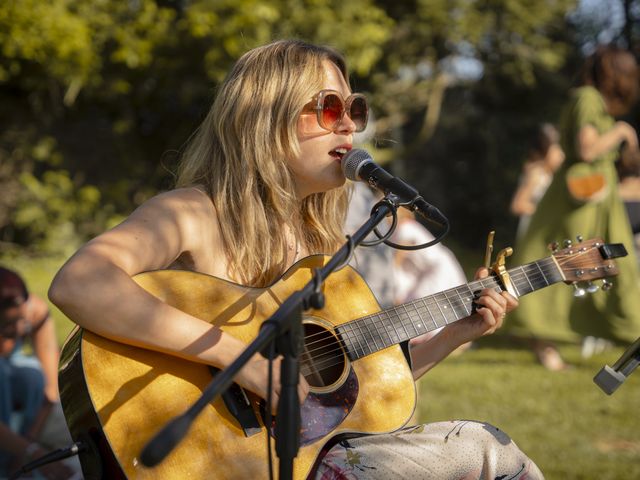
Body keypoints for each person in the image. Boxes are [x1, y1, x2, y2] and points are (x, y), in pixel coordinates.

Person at [48, 39, 542, 479]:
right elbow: (80, 282)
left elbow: (346, 401)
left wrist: (456, 333)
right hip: (202, 460)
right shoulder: (192, 212)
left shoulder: (316, 243)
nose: (349, 123)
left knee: (494, 451)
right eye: (329, 108)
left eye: (355, 109)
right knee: (486, 453)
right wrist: (236, 360)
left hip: (304, 460)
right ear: (265, 118)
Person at [504, 45, 640, 371]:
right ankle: (545, 344)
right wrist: (621, 131)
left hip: (594, 200)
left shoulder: (590, 100)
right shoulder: (588, 98)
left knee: (605, 266)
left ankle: (621, 338)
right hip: (579, 202)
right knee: (569, 266)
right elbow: (587, 148)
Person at [0, 267, 77, 479]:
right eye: (6, 326)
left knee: (33, 375)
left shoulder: (36, 312)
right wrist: (30, 452)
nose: (16, 331)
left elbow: (50, 390)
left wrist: (29, 443)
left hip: (25, 405)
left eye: (20, 322)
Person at [510, 123, 565, 241]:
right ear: (546, 151)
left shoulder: (551, 175)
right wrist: (544, 211)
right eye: (557, 150)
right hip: (532, 231)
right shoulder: (537, 174)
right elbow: (518, 205)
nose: (562, 156)